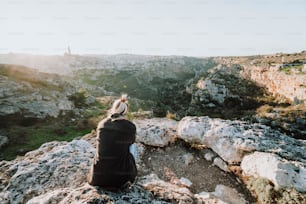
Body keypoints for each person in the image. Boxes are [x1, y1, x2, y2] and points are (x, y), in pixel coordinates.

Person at [88, 94, 137, 190]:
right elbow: (131, 142)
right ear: (126, 111)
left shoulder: (102, 124)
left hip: (97, 178)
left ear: (113, 109)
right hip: (119, 180)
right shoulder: (130, 126)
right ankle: (132, 174)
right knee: (132, 146)